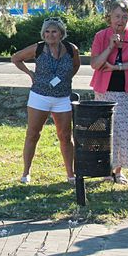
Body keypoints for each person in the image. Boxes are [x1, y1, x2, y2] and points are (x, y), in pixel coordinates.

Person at [11, 18, 80, 184]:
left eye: (54, 31)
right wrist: (30, 74)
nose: (50, 35)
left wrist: (66, 78)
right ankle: (26, 172)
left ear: (61, 34)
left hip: (62, 97)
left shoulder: (71, 49)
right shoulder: (39, 48)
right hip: (40, 96)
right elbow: (16, 58)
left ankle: (70, 174)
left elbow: (76, 65)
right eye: (47, 32)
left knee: (65, 136)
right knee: (33, 133)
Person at [90, 0, 128, 184]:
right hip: (104, 90)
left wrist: (117, 67)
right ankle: (106, 169)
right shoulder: (101, 36)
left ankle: (119, 170)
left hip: (126, 91)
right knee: (105, 130)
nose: (120, 21)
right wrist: (110, 47)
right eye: (117, 16)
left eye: (124, 17)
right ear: (110, 17)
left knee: (123, 131)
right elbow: (95, 64)